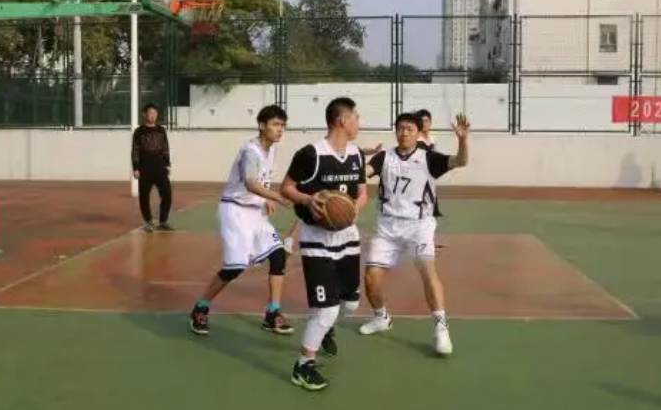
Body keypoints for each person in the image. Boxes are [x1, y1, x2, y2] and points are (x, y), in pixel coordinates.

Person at [359, 112, 470, 355]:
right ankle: (381, 317)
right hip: (387, 226)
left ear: (419, 133)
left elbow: (460, 161)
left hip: (418, 226)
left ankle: (441, 328)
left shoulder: (429, 158)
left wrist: (462, 140)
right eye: (400, 128)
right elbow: (362, 173)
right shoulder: (384, 157)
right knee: (371, 278)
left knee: (428, 272)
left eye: (409, 129)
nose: (404, 133)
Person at [279, 97, 368, 391]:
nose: (358, 122)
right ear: (343, 120)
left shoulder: (356, 154)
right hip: (317, 239)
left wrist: (352, 209)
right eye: (356, 117)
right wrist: (308, 200)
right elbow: (286, 187)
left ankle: (325, 329)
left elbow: (362, 193)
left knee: (350, 304)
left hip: (348, 237)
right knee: (326, 309)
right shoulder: (311, 154)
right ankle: (303, 366)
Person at [189, 105, 296, 337]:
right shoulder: (251, 152)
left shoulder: (272, 149)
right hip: (235, 211)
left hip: (254, 212)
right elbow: (250, 182)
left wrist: (264, 199)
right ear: (262, 125)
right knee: (235, 268)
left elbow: (262, 180)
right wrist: (275, 196)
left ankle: (272, 313)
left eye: (283, 125)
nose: (280, 130)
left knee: (278, 256)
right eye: (275, 124)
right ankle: (201, 307)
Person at [131, 103, 173, 230]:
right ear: (145, 114)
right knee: (144, 196)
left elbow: (165, 148)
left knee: (167, 194)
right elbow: (135, 150)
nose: (153, 115)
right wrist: (136, 168)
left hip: (160, 165)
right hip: (145, 166)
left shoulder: (161, 130)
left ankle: (163, 221)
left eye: (155, 113)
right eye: (150, 113)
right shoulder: (139, 132)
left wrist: (167, 164)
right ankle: (148, 221)